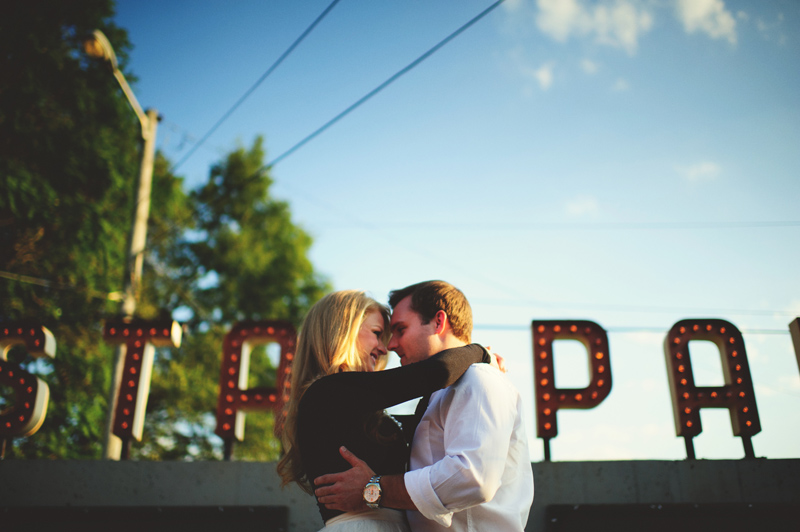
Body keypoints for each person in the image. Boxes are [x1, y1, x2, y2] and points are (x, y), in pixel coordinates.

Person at [313, 281, 534, 532]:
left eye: (400, 329)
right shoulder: (336, 393)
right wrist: (481, 351)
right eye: (382, 333)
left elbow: (472, 478)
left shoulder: (479, 379)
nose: (390, 346)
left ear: (438, 322)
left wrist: (374, 488)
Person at [277, 289, 494, 532]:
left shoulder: (351, 402)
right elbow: (434, 373)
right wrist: (481, 353)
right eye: (377, 334)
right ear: (342, 331)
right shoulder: (325, 393)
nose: (385, 348)